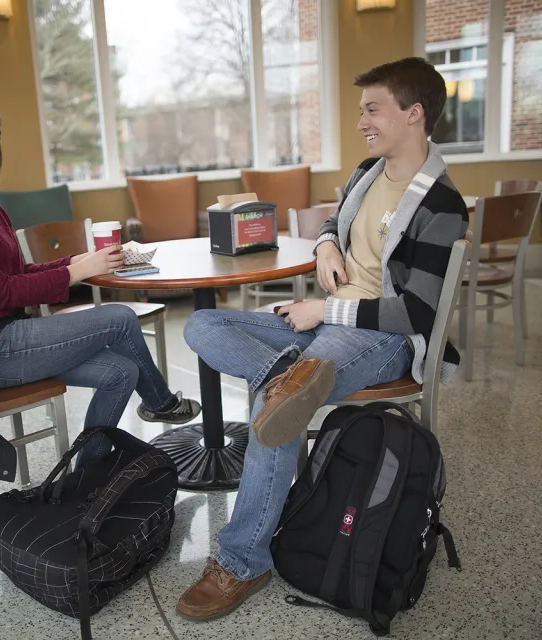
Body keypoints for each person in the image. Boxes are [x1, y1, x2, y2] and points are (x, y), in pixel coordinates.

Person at [177, 57, 469, 621]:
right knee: (202, 324)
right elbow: (335, 223)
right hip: (324, 323)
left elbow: (414, 309)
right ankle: (290, 373)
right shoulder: (367, 171)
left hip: (380, 335)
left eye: (372, 109)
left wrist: (324, 310)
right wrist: (326, 247)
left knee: (275, 405)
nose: (362, 120)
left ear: (413, 114)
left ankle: (242, 562)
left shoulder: (441, 205)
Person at [0, 95, 200, 468]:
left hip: (15, 335)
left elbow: (16, 275)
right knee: (120, 318)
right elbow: (0, 291)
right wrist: (76, 273)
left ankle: (86, 474)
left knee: (122, 371)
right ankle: (162, 404)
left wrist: (76, 260)